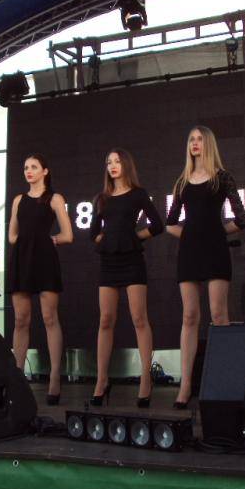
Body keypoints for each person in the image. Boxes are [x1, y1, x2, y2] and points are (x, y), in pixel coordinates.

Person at [166, 126, 245, 408]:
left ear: (208, 144)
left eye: (200, 139)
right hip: (190, 253)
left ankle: (225, 381)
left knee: (219, 315)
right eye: (191, 139)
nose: (195, 143)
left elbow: (241, 219)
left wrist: (216, 233)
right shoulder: (182, 182)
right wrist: (192, 235)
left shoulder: (222, 177)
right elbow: (170, 223)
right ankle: (186, 385)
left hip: (215, 251)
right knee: (189, 316)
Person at [89, 148, 163, 408]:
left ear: (126, 165)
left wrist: (134, 237)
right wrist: (107, 240)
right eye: (108, 162)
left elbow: (157, 225)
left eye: (117, 161)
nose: (112, 165)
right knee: (105, 320)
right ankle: (101, 380)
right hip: (109, 261)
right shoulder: (102, 198)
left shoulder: (138, 194)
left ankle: (146, 379)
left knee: (139, 318)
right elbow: (93, 233)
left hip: (132, 261)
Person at [7, 154, 73, 405]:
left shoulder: (54, 198)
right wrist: (26, 242)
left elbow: (68, 235)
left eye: (34, 167)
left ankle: (55, 376)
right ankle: (17, 377)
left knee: (49, 318)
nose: (29, 171)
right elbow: (12, 235)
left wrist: (50, 240)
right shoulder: (18, 200)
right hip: (22, 259)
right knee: (20, 319)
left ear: (45, 171)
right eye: (26, 167)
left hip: (45, 259)